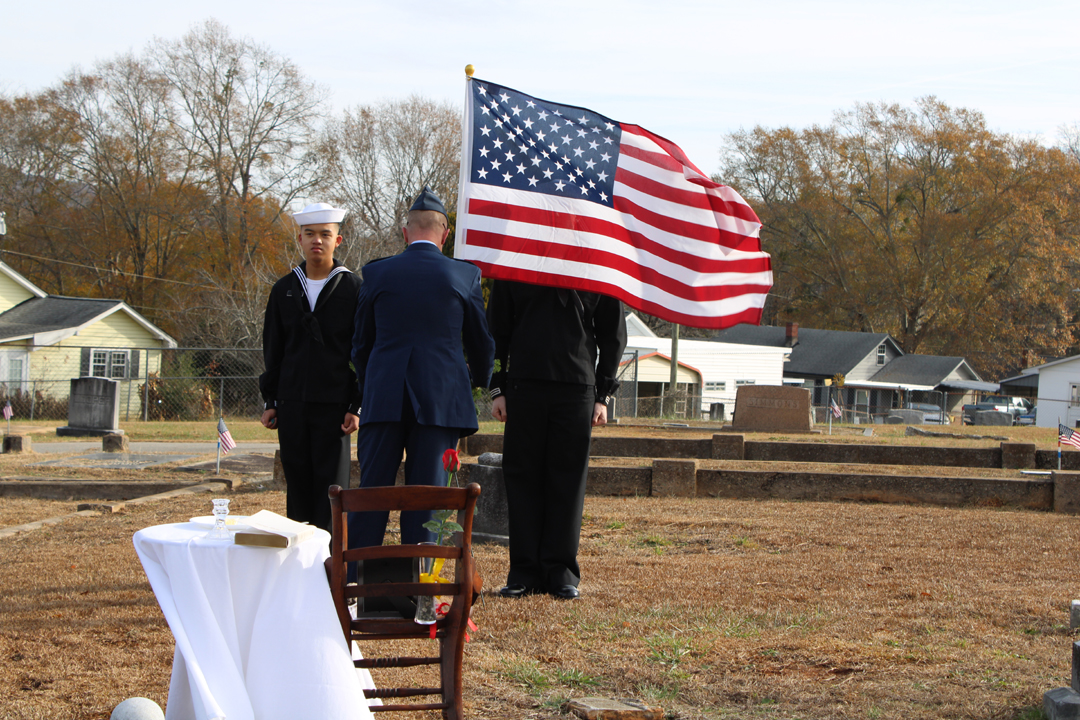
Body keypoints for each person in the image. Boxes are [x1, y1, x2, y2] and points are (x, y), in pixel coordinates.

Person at [349, 187, 494, 548]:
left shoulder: (377, 274)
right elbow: (481, 343)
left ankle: (360, 583)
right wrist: (476, 380)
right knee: (428, 498)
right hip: (440, 402)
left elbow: (361, 344)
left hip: (383, 397)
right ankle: (420, 589)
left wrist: (374, 384)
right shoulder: (464, 276)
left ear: (405, 232)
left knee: (372, 495)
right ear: (445, 235)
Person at [488, 280, 627, 600]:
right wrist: (498, 387)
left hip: (577, 386)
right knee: (522, 479)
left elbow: (613, 332)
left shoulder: (597, 262)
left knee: (567, 481)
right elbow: (497, 328)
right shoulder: (516, 258)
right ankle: (523, 572)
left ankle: (561, 572)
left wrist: (603, 393)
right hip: (524, 384)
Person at [260, 203, 362, 533]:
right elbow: (273, 348)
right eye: (309, 234)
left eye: (325, 234)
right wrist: (271, 401)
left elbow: (362, 352)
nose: (317, 241)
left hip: (335, 409)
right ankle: (300, 570)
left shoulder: (355, 289)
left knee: (332, 491)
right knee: (298, 489)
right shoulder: (283, 290)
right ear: (300, 239)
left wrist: (355, 405)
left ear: (338, 240)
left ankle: (331, 569)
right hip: (291, 405)